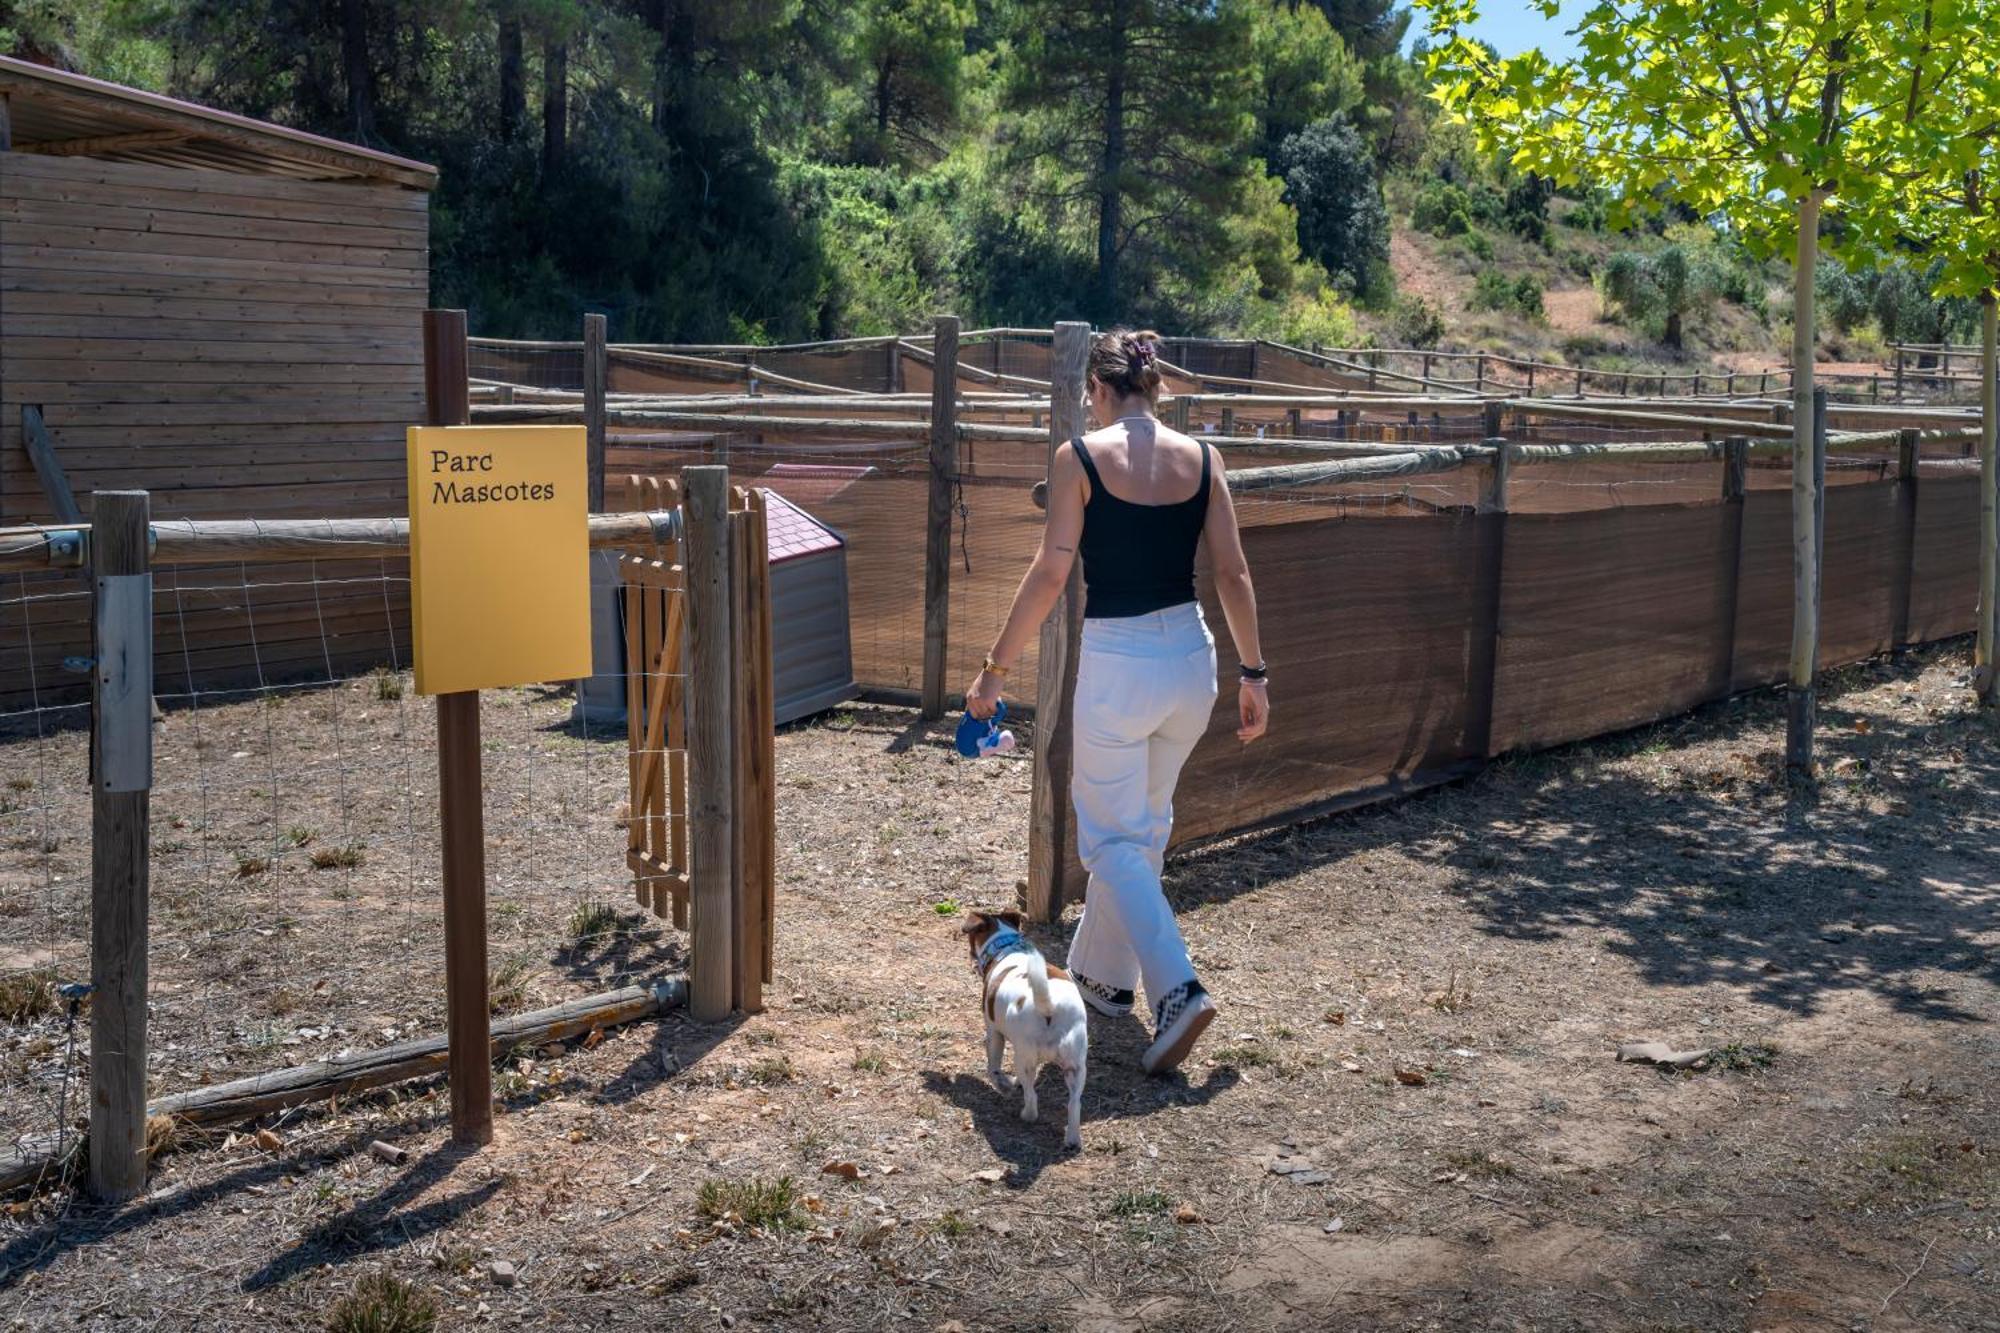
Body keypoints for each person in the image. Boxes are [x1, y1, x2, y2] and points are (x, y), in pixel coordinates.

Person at [966, 328, 1268, 1074]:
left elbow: (1049, 572)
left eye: (1090, 400)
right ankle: (1102, 976)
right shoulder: (1204, 458)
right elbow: (1232, 573)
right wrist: (1255, 672)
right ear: (1155, 386)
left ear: (1098, 391)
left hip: (1119, 664)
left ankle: (1179, 990)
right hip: (1192, 662)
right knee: (1143, 828)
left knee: (1109, 840)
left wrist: (994, 668)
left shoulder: (1079, 458)